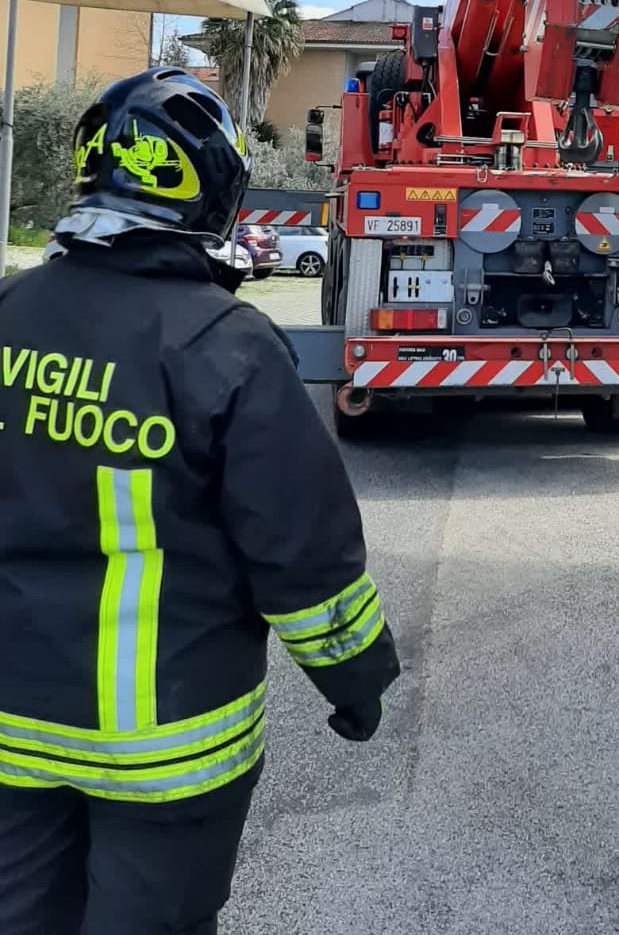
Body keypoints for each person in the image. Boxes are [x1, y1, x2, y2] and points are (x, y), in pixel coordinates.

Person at [0, 68, 401, 935]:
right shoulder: (228, 345)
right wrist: (356, 679)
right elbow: (303, 555)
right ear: (212, 191)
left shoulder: (8, 310)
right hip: (166, 744)